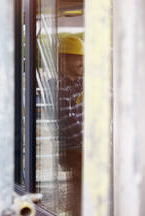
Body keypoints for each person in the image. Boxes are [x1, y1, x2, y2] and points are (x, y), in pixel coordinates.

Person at [57, 35, 84, 216]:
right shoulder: (62, 88)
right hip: (74, 150)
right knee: (79, 192)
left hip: (83, 147)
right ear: (65, 60)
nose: (82, 62)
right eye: (77, 58)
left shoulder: (81, 84)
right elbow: (68, 122)